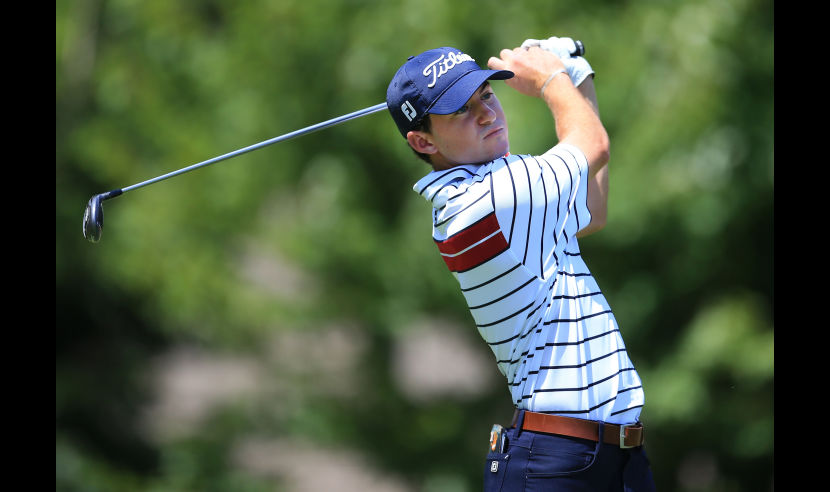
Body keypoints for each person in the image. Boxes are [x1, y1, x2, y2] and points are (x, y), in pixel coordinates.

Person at [385, 37, 656, 491]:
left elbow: (595, 204)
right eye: (460, 111)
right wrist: (552, 79)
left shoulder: (503, 192)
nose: (488, 114)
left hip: (610, 460)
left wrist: (576, 76)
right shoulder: (490, 196)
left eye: (487, 95)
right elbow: (593, 145)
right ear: (421, 139)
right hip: (556, 464)